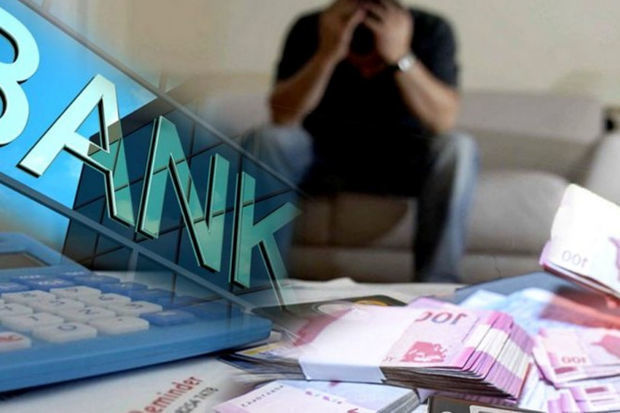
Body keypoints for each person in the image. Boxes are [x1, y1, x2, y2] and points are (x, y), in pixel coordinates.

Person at [244, 0, 478, 282]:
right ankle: (257, 283)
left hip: (401, 163)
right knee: (267, 139)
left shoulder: (430, 28)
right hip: (319, 160)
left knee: (458, 147)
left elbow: (443, 121)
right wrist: (327, 54)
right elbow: (282, 116)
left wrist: (400, 56)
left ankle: (439, 287)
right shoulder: (311, 27)